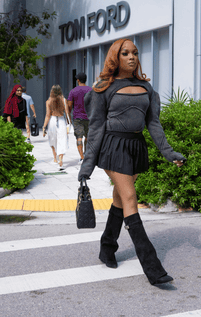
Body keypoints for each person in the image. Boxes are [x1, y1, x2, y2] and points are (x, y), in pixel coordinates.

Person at [77, 38, 186, 286]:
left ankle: (107, 248)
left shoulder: (146, 88)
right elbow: (95, 129)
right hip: (113, 147)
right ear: (115, 57)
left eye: (135, 53)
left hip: (136, 147)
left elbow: (153, 125)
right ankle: (152, 267)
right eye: (125, 53)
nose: (131, 57)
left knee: (119, 198)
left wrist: (170, 153)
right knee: (130, 198)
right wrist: (87, 166)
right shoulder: (103, 88)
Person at [42, 85, 70, 170]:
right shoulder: (64, 100)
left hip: (52, 121)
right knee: (62, 140)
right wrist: (69, 124)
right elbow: (67, 114)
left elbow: (47, 115)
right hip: (61, 120)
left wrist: (44, 127)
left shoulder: (49, 101)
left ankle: (55, 158)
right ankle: (60, 159)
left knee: (53, 139)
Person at [67, 72, 92, 163]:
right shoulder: (91, 90)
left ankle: (82, 157)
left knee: (79, 137)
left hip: (77, 118)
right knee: (88, 137)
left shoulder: (73, 91)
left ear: (78, 80)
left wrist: (68, 115)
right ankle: (86, 154)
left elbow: (69, 105)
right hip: (89, 117)